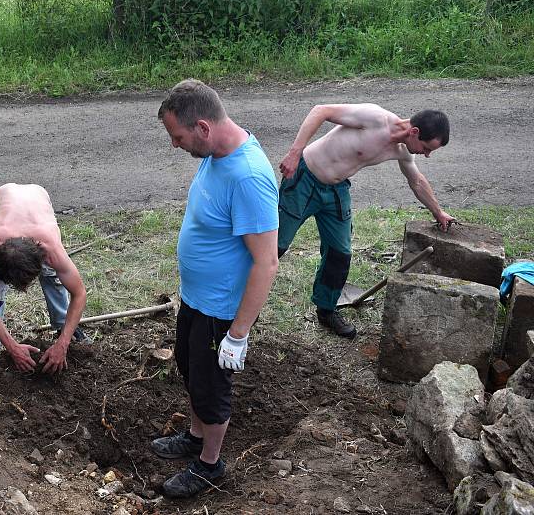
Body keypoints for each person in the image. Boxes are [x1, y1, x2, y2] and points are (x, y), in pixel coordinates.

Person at [152, 79, 279, 498]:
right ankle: (193, 435)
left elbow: (267, 261)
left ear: (203, 128)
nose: (175, 145)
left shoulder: (249, 177)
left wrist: (237, 335)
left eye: (179, 137)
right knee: (191, 372)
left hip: (220, 310)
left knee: (211, 388)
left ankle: (210, 464)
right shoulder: (216, 154)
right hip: (195, 299)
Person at [278, 103, 455, 338]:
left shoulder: (403, 151)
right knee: (274, 248)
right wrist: (294, 152)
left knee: (340, 254)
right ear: (414, 132)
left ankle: (326, 309)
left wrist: (438, 212)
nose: (427, 154)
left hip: (336, 190)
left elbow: (416, 181)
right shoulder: (374, 118)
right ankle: (237, 306)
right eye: (426, 147)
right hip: (304, 178)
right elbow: (321, 111)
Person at [0, 183, 87, 375]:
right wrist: (12, 347)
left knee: (53, 277)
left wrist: (62, 344)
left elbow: (79, 293)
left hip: (38, 202)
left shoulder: (50, 246)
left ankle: (65, 329)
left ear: (41, 257)